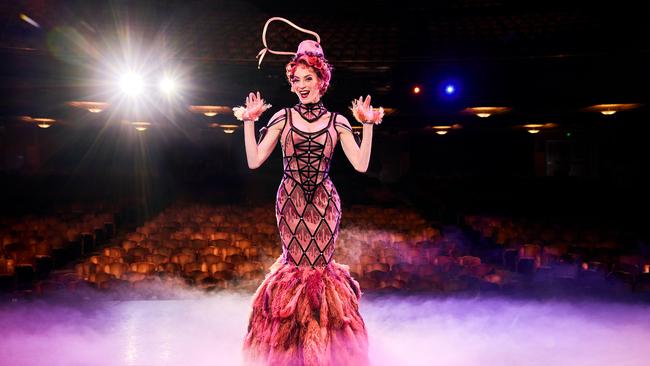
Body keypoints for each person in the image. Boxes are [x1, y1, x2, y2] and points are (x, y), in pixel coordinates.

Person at [234, 18, 383, 366]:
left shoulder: (338, 122)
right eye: (296, 79)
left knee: (320, 273)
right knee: (296, 270)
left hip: (325, 204)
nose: (301, 85)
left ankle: (325, 357)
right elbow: (255, 160)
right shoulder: (283, 118)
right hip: (291, 202)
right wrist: (249, 121)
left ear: (321, 82)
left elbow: (361, 165)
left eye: (308, 78)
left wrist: (367, 125)